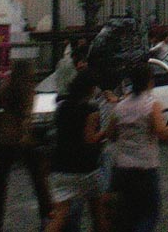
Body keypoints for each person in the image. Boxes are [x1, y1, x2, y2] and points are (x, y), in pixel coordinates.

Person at [110, 63, 168, 232]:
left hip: (122, 167)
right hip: (145, 167)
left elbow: (111, 134)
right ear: (150, 81)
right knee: (149, 213)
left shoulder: (120, 106)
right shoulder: (152, 105)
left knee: (128, 213)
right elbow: (162, 133)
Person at [0, 59, 52, 232]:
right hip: (23, 139)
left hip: (5, 138)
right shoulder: (27, 87)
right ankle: (47, 215)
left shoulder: (6, 86)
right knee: (38, 179)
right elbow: (27, 114)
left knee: (0, 180)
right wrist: (26, 133)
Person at [47, 71, 110, 232]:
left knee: (60, 215)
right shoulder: (90, 110)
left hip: (60, 166)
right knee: (98, 213)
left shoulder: (62, 107)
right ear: (90, 88)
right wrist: (106, 131)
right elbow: (90, 139)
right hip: (85, 168)